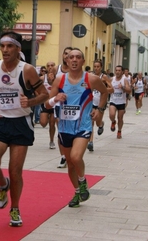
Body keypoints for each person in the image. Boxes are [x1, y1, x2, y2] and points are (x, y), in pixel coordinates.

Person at [0, 31, 48, 227]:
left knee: (15, 171)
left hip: (20, 123)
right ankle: (3, 184)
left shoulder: (27, 70)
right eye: (2, 46)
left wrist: (31, 100)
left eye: (9, 46)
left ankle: (15, 208)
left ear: (18, 48)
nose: (5, 50)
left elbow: (44, 94)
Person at [45, 48, 108, 208]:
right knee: (71, 164)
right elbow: (47, 103)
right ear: (66, 61)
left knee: (75, 157)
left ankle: (82, 181)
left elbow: (104, 92)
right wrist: (55, 99)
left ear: (83, 61)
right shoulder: (59, 80)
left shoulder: (91, 79)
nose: (74, 60)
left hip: (83, 126)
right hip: (65, 127)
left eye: (78, 57)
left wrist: (99, 110)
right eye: (71, 57)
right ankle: (77, 192)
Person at [87, 59, 113, 151]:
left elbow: (111, 89)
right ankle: (90, 142)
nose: (96, 68)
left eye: (98, 67)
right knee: (91, 122)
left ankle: (101, 124)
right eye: (95, 66)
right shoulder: (90, 76)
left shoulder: (104, 77)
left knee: (97, 122)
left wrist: (103, 89)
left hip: (101, 102)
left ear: (101, 68)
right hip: (91, 102)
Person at [109, 65, 131, 139]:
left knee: (120, 118)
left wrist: (122, 87)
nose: (117, 72)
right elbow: (107, 89)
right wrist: (110, 90)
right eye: (116, 70)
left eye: (119, 70)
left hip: (121, 102)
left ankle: (119, 131)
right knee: (112, 115)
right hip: (113, 100)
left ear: (122, 72)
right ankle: (113, 121)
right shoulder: (112, 79)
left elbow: (129, 90)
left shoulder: (124, 80)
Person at [39, 61, 57, 149]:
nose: (50, 67)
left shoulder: (58, 78)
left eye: (52, 65)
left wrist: (53, 80)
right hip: (45, 104)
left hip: (54, 104)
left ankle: (52, 141)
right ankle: (46, 117)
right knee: (43, 123)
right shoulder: (42, 78)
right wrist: (39, 97)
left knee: (52, 123)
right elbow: (35, 87)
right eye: (48, 65)